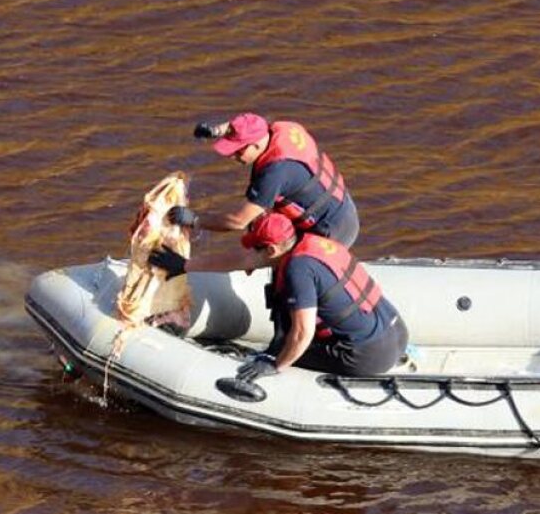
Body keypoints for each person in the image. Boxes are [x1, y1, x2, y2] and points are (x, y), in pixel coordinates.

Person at [150, 212, 408, 380]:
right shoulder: (311, 242)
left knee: (279, 353)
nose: (249, 255)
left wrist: (274, 364)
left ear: (272, 250)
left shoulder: (299, 270)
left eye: (255, 249)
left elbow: (302, 333)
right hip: (396, 331)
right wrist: (184, 265)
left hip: (367, 356)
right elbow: (241, 260)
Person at [171, 112, 361, 250]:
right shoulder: (282, 128)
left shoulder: (275, 174)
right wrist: (216, 131)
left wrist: (195, 219)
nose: (232, 156)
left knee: (289, 270)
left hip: (332, 229)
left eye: (237, 151)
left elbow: (238, 221)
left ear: (254, 145)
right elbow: (247, 123)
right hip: (342, 205)